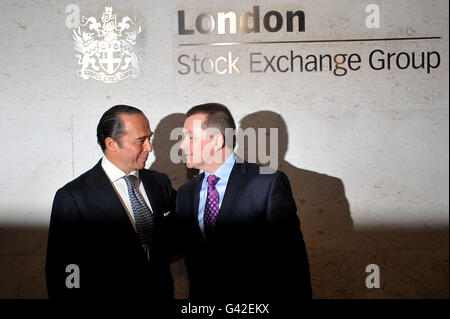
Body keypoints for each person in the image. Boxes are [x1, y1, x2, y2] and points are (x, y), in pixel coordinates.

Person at [176, 103, 312, 301]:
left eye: (190, 137)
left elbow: (292, 261)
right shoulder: (185, 193)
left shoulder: (267, 183)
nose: (181, 145)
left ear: (216, 141)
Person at [46, 105, 177, 300]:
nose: (149, 147)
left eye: (150, 138)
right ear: (112, 143)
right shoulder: (73, 197)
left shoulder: (159, 183)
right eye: (141, 140)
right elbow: (64, 269)